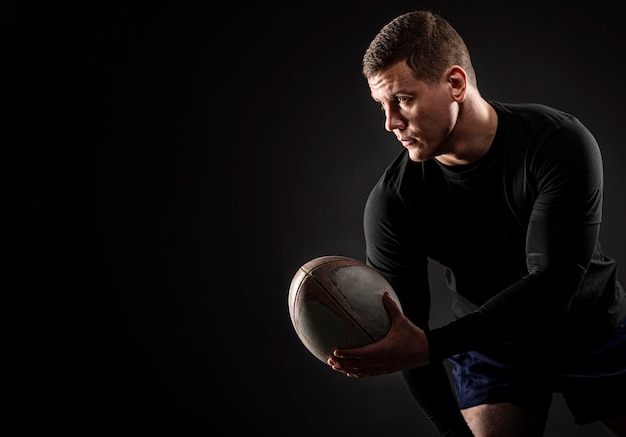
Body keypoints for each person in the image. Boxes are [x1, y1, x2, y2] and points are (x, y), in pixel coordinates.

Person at [326, 10, 626, 437]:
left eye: (403, 100)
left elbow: (553, 283)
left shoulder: (557, 142)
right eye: (382, 105)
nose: (391, 123)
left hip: (591, 329)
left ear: (455, 83)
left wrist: (432, 347)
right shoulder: (394, 201)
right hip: (489, 349)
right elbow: (407, 338)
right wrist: (452, 431)